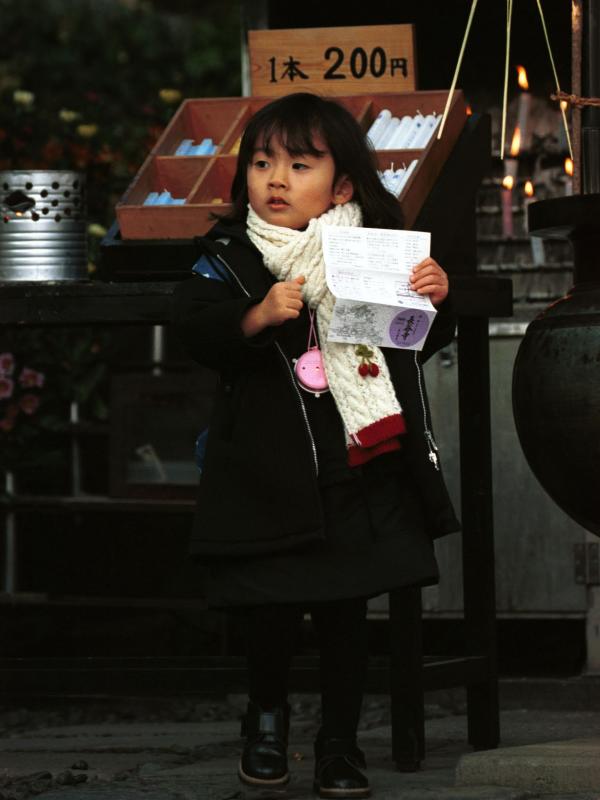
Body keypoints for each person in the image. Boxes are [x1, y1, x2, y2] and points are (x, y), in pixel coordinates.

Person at [171, 92, 460, 799]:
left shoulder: (370, 252)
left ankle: (339, 742)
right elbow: (193, 327)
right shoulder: (230, 257)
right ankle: (264, 724)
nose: (274, 178)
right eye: (263, 162)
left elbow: (412, 344)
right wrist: (255, 316)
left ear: (343, 187)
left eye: (299, 164)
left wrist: (434, 298)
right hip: (266, 473)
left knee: (344, 611)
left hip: (354, 467)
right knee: (268, 608)